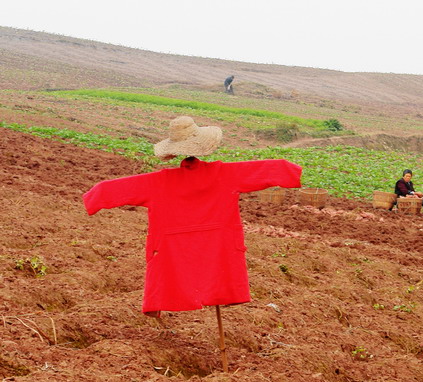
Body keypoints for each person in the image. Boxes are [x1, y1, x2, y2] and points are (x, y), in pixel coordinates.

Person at [83, 116, 302, 317]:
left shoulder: (157, 182)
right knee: (219, 279)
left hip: (174, 249)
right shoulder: (225, 174)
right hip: (218, 245)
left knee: (172, 279)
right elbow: (271, 168)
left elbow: (112, 188)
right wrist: (292, 172)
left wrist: (94, 198)